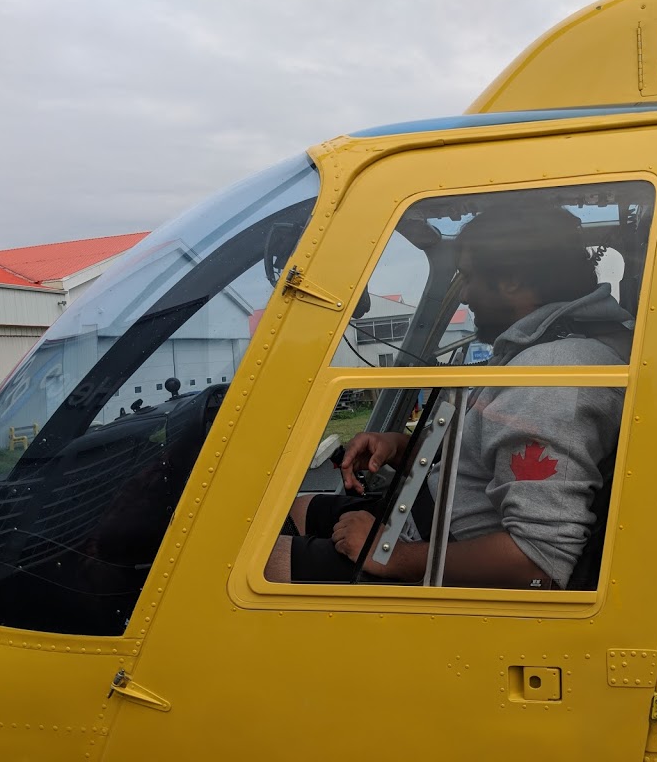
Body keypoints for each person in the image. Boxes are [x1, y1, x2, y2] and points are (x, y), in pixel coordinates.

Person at [264, 204, 632, 589]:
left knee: (259, 564)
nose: (465, 294)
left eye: (470, 277)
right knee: (297, 510)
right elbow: (484, 460)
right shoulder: (543, 350)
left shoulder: (549, 377)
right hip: (430, 517)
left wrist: (392, 556)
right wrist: (400, 447)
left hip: (446, 553)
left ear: (512, 281)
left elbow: (538, 561)